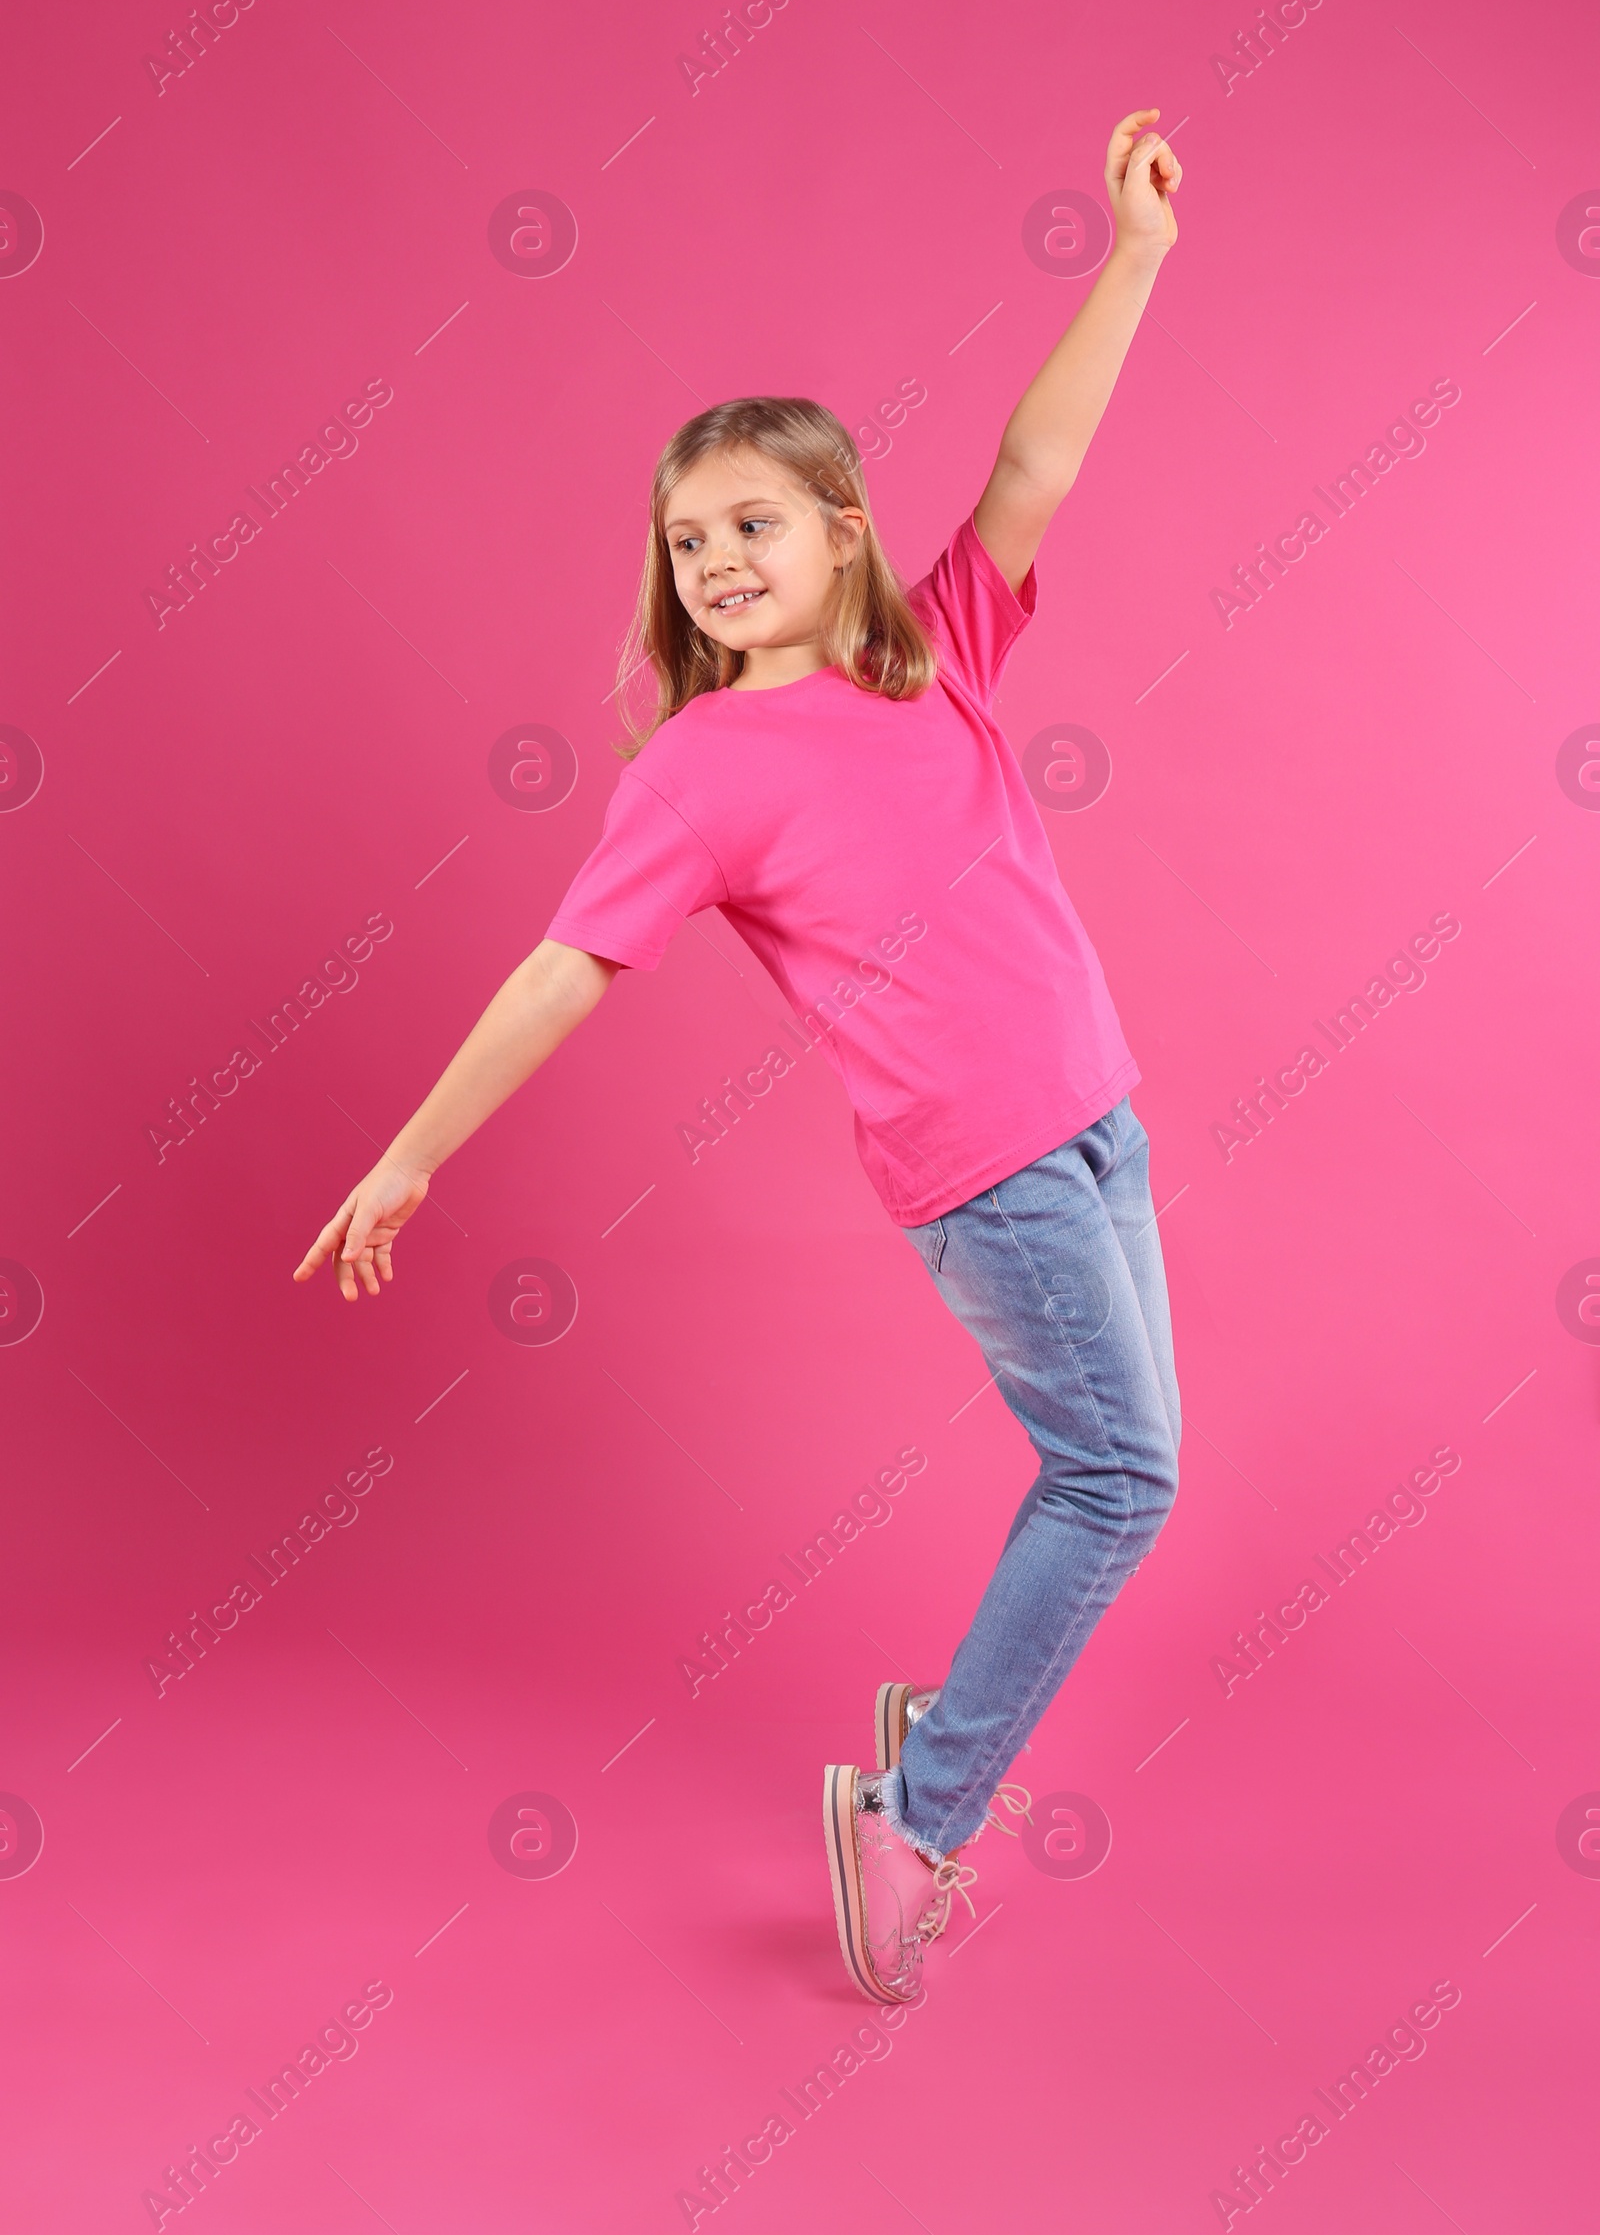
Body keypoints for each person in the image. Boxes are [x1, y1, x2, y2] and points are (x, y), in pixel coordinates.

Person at [296, 109, 1185, 2007]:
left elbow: (1037, 456)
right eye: (684, 543)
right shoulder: (693, 774)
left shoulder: (932, 647)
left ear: (842, 531)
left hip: (1099, 1123)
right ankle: (916, 1813)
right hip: (989, 1174)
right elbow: (560, 975)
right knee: (1117, 1476)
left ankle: (931, 1731)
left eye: (751, 525)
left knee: (1115, 1467)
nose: (712, 561)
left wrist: (1131, 260)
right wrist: (410, 1152)